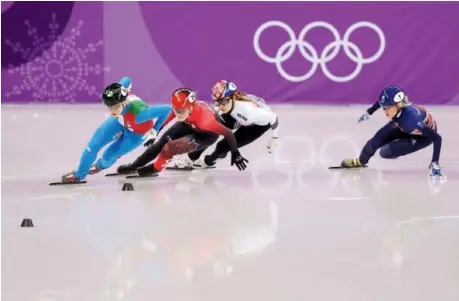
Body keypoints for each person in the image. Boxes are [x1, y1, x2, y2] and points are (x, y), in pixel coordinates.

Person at [116, 87, 249, 177]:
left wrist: (235, 153)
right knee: (160, 142)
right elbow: (166, 120)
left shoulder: (205, 119)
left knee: (170, 148)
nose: (178, 114)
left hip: (207, 135)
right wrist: (154, 133)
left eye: (181, 111)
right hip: (190, 124)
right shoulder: (181, 109)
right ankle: (135, 165)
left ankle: (155, 169)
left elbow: (228, 133)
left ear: (190, 108)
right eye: (176, 110)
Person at [61, 77, 171, 183]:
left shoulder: (141, 114)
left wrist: (155, 130)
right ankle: (79, 174)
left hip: (136, 134)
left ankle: (100, 165)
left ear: (125, 102)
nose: (111, 110)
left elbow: (168, 109)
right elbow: (127, 78)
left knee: (108, 156)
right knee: (93, 145)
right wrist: (125, 88)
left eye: (115, 107)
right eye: (109, 106)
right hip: (119, 121)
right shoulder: (118, 92)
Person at [341, 85, 445, 180]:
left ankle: (396, 151)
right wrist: (369, 112)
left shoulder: (412, 120)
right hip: (401, 125)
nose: (385, 111)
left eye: (388, 108)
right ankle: (360, 161)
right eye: (384, 108)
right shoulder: (395, 108)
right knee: (375, 140)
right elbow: (380, 102)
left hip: (421, 137)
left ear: (398, 105)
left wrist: (435, 162)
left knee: (384, 152)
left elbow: (437, 138)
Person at [169, 80, 279, 169]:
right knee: (210, 128)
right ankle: (191, 158)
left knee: (223, 146)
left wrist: (274, 139)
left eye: (223, 102)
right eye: (217, 102)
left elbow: (273, 117)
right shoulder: (230, 103)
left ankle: (209, 161)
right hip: (236, 113)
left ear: (233, 97)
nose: (221, 106)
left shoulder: (249, 113)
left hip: (257, 125)